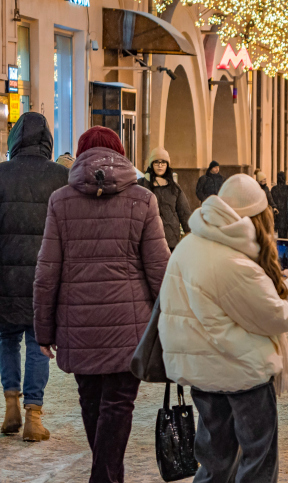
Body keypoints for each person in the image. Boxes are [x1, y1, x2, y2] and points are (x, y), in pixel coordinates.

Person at [33, 126, 171, 482]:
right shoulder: (143, 199)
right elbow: (160, 270)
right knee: (118, 407)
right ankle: (106, 477)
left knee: (92, 403)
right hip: (131, 326)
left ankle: (106, 475)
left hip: (78, 327)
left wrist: (43, 331)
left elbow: (47, 272)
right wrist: (173, 321)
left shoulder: (61, 200)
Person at [158, 174, 288, 483]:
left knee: (215, 461)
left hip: (202, 373)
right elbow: (279, 316)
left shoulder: (189, 245)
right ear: (259, 215)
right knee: (258, 460)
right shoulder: (235, 263)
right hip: (244, 374)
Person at [0, 112, 68, 441]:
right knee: (39, 343)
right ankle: (33, 416)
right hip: (45, 276)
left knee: (7, 339)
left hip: (5, 277)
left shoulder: (0, 174)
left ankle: (10, 403)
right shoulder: (59, 176)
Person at [138, 147, 192, 251]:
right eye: (156, 162)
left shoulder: (174, 188)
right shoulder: (142, 185)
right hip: (149, 237)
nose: (160, 165)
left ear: (167, 165)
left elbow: (184, 211)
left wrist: (189, 231)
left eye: (163, 162)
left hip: (171, 239)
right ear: (151, 165)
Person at [271, 171, 288, 238]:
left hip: (277, 214)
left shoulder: (274, 189)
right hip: (286, 214)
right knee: (285, 233)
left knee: (279, 233)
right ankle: (284, 246)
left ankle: (280, 246)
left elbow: (272, 201)